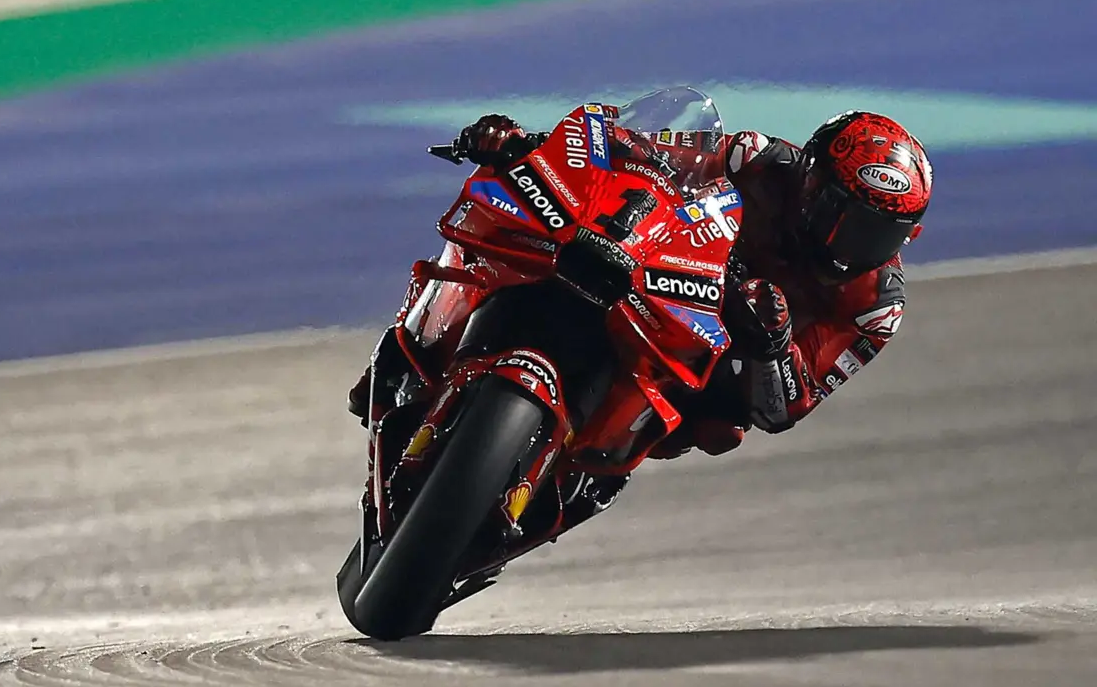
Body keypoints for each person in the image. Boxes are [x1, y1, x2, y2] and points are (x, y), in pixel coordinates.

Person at [348, 106, 933, 460]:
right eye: (840, 216)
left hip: (712, 360)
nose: (849, 244)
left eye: (877, 234)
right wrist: (531, 143)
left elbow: (784, 409)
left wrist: (772, 341)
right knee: (513, 226)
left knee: (717, 429)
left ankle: (584, 466)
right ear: (810, 181)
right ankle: (414, 342)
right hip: (655, 273)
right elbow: (641, 150)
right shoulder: (756, 161)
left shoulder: (876, 307)